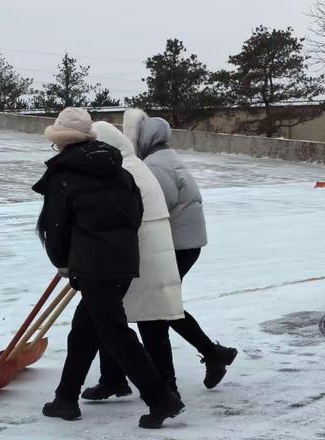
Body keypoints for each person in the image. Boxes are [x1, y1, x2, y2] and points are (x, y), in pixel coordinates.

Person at [32, 108, 184, 429]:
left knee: (115, 334)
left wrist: (62, 262)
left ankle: (161, 399)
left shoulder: (63, 174)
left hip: (92, 266)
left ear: (61, 141)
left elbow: (55, 226)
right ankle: (66, 398)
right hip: (123, 263)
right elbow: (136, 211)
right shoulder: (119, 169)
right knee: (84, 330)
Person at [83, 109, 238, 401]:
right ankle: (211, 354)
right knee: (152, 308)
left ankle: (140, 379)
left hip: (172, 246)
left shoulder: (155, 166)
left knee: (151, 311)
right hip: (184, 244)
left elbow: (153, 210)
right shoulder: (166, 158)